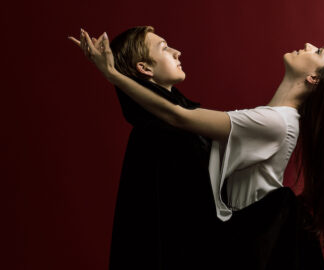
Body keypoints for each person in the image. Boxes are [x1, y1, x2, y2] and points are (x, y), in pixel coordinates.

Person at [72, 27, 324, 269]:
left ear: (314, 78)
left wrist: (112, 75)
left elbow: (178, 116)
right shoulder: (273, 118)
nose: (309, 44)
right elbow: (175, 110)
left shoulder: (275, 122)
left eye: (320, 52)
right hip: (235, 245)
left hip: (242, 249)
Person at [69, 27, 221, 269]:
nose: (177, 52)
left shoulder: (178, 123)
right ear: (145, 68)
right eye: (164, 47)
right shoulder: (159, 136)